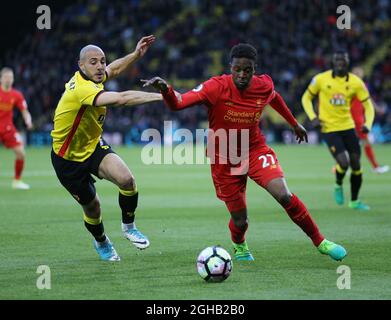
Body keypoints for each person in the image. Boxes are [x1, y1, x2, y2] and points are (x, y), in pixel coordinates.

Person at [142, 43, 347, 262]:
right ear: (230, 67)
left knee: (284, 194)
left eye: (247, 70)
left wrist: (294, 123)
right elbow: (179, 104)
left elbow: (274, 97)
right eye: (237, 69)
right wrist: (166, 90)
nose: (242, 74)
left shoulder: (263, 85)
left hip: (254, 149)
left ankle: (320, 241)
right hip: (224, 157)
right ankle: (239, 245)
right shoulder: (215, 87)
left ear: (254, 69)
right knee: (240, 219)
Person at [51, 35, 163, 261]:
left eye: (102, 60)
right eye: (93, 62)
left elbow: (115, 68)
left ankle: (129, 227)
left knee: (127, 181)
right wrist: (162, 96)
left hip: (92, 146)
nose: (100, 66)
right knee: (93, 207)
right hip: (68, 159)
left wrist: (135, 55)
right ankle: (102, 241)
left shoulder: (95, 76)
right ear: (80, 65)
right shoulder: (81, 89)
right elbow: (121, 99)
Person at [301, 50, 375, 211]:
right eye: (337, 60)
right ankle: (338, 184)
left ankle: (354, 201)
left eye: (343, 60)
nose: (340, 63)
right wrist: (313, 117)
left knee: (356, 164)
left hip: (348, 127)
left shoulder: (356, 83)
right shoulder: (320, 79)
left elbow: (368, 106)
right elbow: (306, 98)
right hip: (329, 128)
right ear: (333, 62)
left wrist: (368, 124)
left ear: (347, 63)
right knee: (343, 162)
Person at [350, 66, 389, 174]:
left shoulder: (358, 85)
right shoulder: (352, 86)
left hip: (357, 119)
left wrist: (377, 108)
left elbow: (368, 99)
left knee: (355, 143)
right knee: (360, 143)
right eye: (357, 73)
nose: (359, 74)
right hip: (354, 120)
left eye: (360, 73)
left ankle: (348, 166)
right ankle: (375, 167)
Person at [0, 67, 33, 190]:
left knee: (21, 153)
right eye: (6, 77)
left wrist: (28, 120)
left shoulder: (16, 95)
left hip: (8, 128)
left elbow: (24, 111)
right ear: (1, 79)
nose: (8, 80)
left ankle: (17, 181)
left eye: (10, 77)